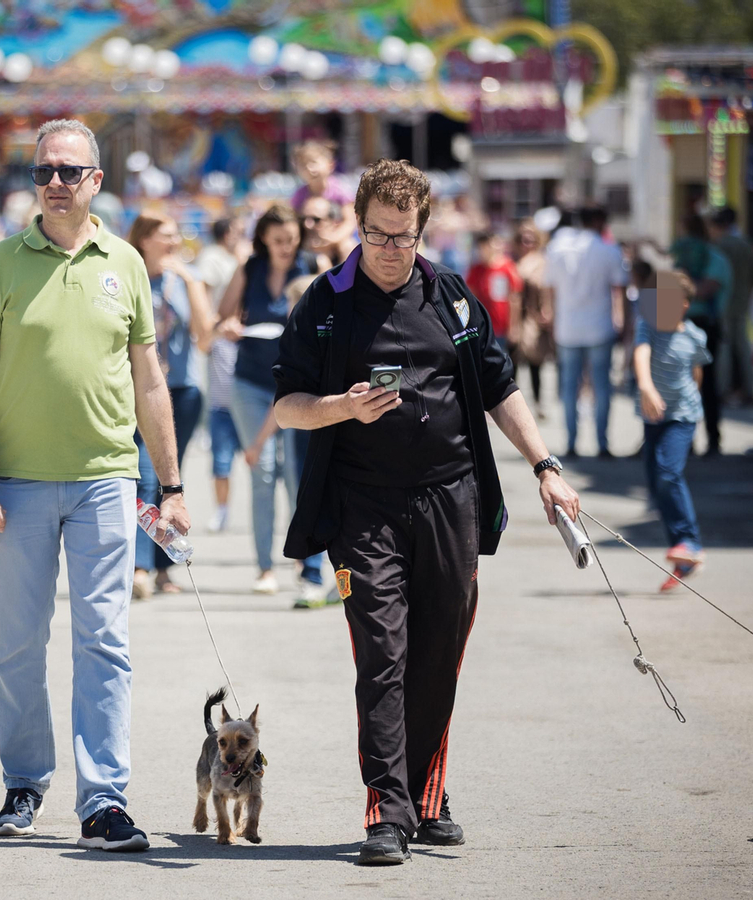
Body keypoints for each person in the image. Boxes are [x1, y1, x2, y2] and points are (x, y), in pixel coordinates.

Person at [272, 158, 581, 865]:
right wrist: (342, 407)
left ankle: (425, 799)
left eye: (401, 237)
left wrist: (546, 468)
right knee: (383, 655)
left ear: (422, 230)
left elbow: (500, 387)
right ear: (359, 224)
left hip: (452, 498)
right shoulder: (325, 303)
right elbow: (287, 407)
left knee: (438, 654)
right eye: (376, 235)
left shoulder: (451, 297)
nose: (387, 250)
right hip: (361, 507)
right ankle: (387, 811)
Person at [0, 118, 189, 853]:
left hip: (106, 482)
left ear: (96, 181)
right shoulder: (0, 262)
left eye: (69, 171)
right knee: (18, 644)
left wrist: (174, 484)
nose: (54, 183)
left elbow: (151, 381)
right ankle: (24, 785)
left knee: (106, 643)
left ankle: (105, 801)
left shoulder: (126, 262)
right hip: (15, 485)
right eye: (43, 172)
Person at [216, 203, 328, 604]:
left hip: (298, 388)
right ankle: (264, 567)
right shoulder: (250, 269)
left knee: (298, 474)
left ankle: (303, 561)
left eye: (292, 240)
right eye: (278, 240)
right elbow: (222, 317)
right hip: (251, 382)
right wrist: (227, 327)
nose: (286, 248)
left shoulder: (314, 263)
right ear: (264, 237)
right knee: (262, 471)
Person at [128, 211, 215, 596]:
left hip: (182, 389)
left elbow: (204, 335)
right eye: (166, 234)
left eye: (176, 234)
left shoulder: (182, 280)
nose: (174, 241)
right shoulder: (130, 276)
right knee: (147, 476)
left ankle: (165, 569)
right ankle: (140, 567)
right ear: (144, 239)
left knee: (173, 481)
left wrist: (191, 281)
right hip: (142, 391)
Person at [634, 269, 712, 590]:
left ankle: (689, 542)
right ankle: (682, 558)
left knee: (669, 472)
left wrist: (694, 410)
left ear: (683, 304)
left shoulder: (695, 336)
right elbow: (641, 354)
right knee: (657, 485)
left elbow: (697, 374)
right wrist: (646, 387)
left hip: (682, 416)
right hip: (654, 415)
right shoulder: (648, 327)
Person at [547, 205, 626, 457]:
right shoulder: (609, 250)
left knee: (569, 386)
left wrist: (551, 319)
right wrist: (623, 321)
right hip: (599, 326)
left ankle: (571, 443)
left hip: (568, 326)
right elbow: (620, 289)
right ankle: (602, 443)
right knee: (602, 386)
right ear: (601, 221)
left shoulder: (558, 248)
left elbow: (549, 287)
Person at [196, 216, 249, 532]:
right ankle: (222, 509)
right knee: (221, 456)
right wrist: (211, 324)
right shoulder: (213, 259)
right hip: (220, 336)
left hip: (238, 337)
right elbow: (205, 295)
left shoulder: (235, 257)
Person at [670, 211, 732, 455]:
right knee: (684, 385)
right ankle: (688, 439)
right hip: (682, 324)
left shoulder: (713, 258)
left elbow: (704, 290)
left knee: (706, 384)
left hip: (704, 325)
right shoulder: (684, 258)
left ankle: (713, 439)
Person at [707, 207, 753, 407]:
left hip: (723, 303)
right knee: (744, 348)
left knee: (724, 348)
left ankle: (723, 390)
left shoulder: (718, 246)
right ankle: (749, 389)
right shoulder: (746, 244)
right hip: (742, 303)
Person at [512, 220, 553, 416]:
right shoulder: (512, 261)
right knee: (511, 363)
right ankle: (511, 407)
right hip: (513, 318)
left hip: (533, 318)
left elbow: (547, 290)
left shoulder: (542, 262)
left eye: (531, 240)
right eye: (522, 240)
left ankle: (538, 403)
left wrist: (547, 311)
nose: (526, 244)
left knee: (535, 362)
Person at [465, 232, 522, 349]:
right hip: (483, 326)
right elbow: (470, 297)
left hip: (501, 327)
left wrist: (514, 326)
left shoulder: (507, 268)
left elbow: (514, 298)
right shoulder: (476, 269)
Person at [290, 140, 357, 238]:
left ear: (330, 165)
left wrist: (335, 238)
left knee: (346, 247)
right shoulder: (300, 195)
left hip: (338, 237)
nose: (309, 168)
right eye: (303, 165)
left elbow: (350, 221)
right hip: (311, 239)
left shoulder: (339, 191)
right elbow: (293, 220)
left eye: (313, 162)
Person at [298, 194, 354, 272]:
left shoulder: (346, 251)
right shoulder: (294, 252)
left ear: (334, 223)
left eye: (316, 220)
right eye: (303, 219)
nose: (307, 225)